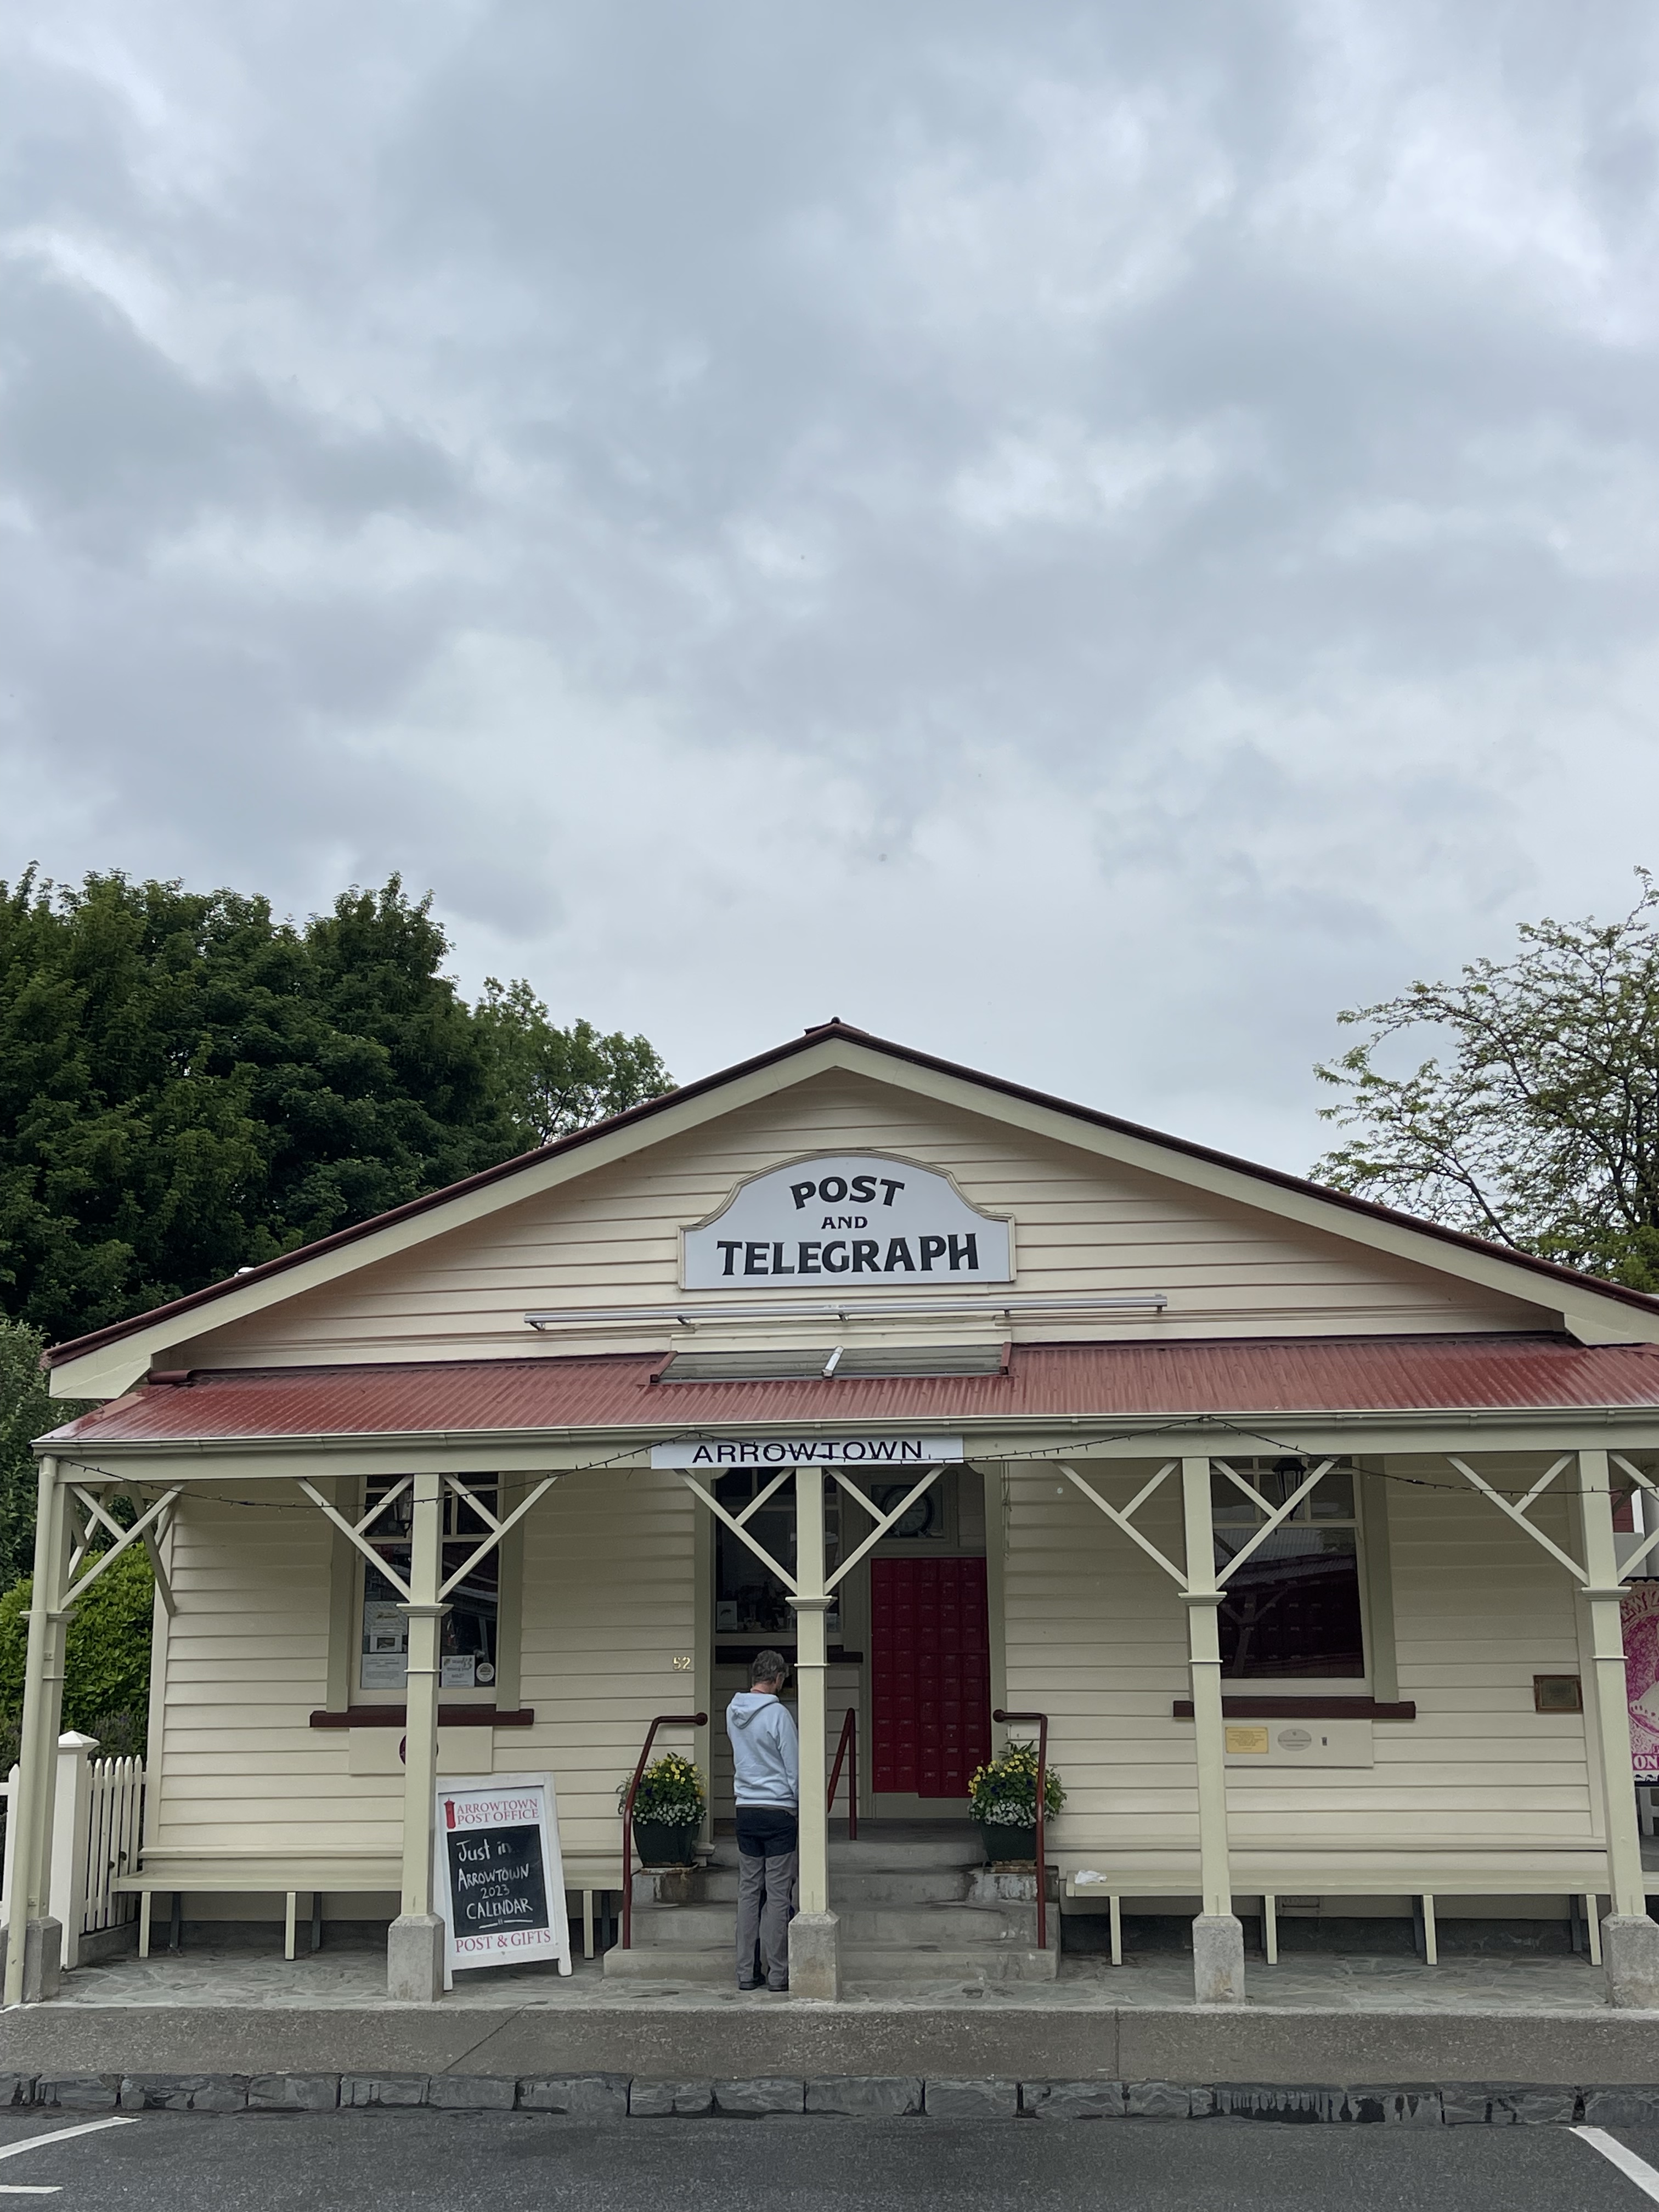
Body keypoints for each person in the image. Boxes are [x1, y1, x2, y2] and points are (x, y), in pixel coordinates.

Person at [726, 1649, 799, 1991]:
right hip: (778, 1810)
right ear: (779, 1678)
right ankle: (778, 1974)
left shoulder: (733, 1711)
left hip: (745, 1809)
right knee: (778, 1894)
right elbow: (793, 1766)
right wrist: (800, 1804)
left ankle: (746, 1972)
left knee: (749, 1892)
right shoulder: (779, 1715)